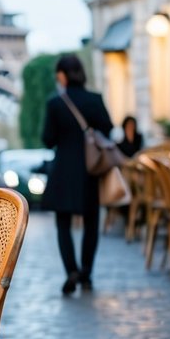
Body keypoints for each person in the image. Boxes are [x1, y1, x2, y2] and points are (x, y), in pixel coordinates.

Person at [41, 53, 113, 295]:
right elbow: (108, 129)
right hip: (89, 169)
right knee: (91, 222)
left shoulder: (55, 103)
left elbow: (48, 140)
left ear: (62, 75)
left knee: (63, 224)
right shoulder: (95, 99)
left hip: (62, 171)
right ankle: (87, 273)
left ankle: (71, 270)